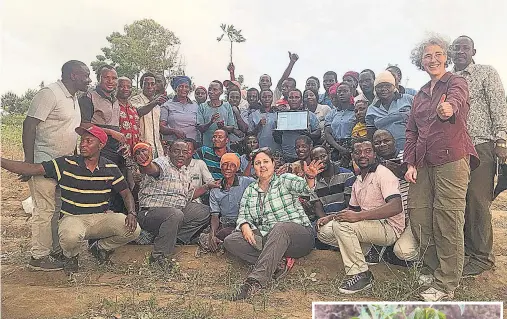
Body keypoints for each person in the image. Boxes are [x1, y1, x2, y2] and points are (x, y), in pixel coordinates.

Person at [2, 125, 140, 274]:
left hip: (100, 218)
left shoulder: (110, 167)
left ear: (101, 145)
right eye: (82, 141)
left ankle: (100, 248)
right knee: (70, 236)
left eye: (89, 141)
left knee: (134, 230)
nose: (83, 144)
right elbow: (31, 169)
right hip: (73, 218)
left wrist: (131, 213)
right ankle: (71, 256)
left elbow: (126, 193)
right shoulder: (66, 163)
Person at [405, 35, 479, 301]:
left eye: (438, 54)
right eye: (427, 56)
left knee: (448, 218)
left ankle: (446, 282)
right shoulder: (421, 93)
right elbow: (412, 130)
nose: (433, 59)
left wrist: (450, 107)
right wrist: (410, 162)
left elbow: (457, 99)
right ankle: (432, 268)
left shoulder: (456, 82)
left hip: (451, 159)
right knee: (421, 215)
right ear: (420, 61)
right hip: (423, 161)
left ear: (446, 57)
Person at [224, 148, 324, 300]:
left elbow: (304, 188)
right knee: (231, 240)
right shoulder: (250, 190)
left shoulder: (285, 179)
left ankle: (254, 282)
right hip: (269, 238)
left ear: (273, 164)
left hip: (299, 236)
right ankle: (278, 262)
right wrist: (245, 225)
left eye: (265, 162)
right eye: (258, 163)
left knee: (280, 227)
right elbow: (243, 215)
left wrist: (309, 178)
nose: (262, 166)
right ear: (253, 168)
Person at [21, 60, 91, 270]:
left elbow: (71, 130)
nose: (89, 80)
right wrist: (29, 161)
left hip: (64, 164)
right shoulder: (50, 93)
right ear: (73, 75)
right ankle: (38, 257)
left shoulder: (73, 98)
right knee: (44, 209)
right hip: (44, 161)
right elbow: (29, 124)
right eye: (86, 76)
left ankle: (54, 250)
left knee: (58, 209)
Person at [317, 139, 405, 294]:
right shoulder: (358, 180)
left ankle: (360, 274)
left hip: (388, 227)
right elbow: (352, 208)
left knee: (342, 226)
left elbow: (396, 206)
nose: (363, 155)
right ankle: (365, 250)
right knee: (324, 231)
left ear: (374, 154)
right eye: (358, 152)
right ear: (353, 156)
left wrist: (359, 216)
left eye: (367, 151)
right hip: (368, 224)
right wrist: (330, 217)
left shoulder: (383, 174)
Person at [451, 35, 507, 277]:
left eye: (465, 47)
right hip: (453, 150)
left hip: (481, 145)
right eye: (456, 48)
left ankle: (482, 257)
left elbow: (499, 106)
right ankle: (466, 253)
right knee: (458, 202)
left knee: (477, 200)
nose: (460, 51)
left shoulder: (486, 73)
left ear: (474, 51)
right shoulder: (448, 79)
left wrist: (502, 140)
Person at [134, 141, 218, 269]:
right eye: (176, 151)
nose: (181, 155)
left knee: (205, 212)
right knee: (175, 215)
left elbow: (190, 195)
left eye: (184, 152)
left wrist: (207, 186)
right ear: (168, 151)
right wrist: (145, 164)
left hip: (176, 212)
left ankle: (167, 238)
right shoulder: (162, 162)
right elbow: (152, 169)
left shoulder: (184, 171)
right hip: (151, 212)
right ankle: (159, 257)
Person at [79, 65, 129, 213]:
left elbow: (115, 125)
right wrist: (110, 133)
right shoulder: (89, 97)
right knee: (98, 185)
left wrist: (120, 141)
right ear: (99, 78)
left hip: (115, 149)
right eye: (106, 77)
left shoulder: (115, 99)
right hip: (98, 148)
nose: (110, 81)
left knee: (117, 186)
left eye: (114, 78)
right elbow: (84, 124)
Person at [371, 130, 418, 265]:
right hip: (392, 219)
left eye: (386, 141)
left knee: (403, 251)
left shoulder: (408, 156)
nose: (382, 145)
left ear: (394, 141)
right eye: (378, 143)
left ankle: (427, 258)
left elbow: (417, 178)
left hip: (414, 214)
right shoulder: (373, 165)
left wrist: (398, 170)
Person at [202, 153, 256, 252]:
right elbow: (215, 216)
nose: (228, 168)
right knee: (216, 237)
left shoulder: (247, 182)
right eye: (225, 164)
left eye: (232, 165)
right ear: (221, 167)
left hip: (246, 222)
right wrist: (212, 233)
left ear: (237, 168)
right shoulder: (215, 189)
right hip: (226, 223)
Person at [365, 71, 414, 151]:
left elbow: (422, 123)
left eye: (388, 85)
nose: (384, 89)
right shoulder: (371, 109)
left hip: (411, 148)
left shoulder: (408, 99)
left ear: (394, 87)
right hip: (386, 153)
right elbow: (371, 136)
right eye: (379, 86)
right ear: (375, 89)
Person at [274, 89, 321, 162]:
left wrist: (308, 134)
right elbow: (277, 139)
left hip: (306, 157)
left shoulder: (310, 115)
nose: (294, 100)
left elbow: (318, 133)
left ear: (301, 100)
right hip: (287, 156)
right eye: (291, 97)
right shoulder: (282, 116)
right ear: (287, 99)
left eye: (296, 97)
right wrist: (277, 131)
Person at [130, 72, 169, 158]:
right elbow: (139, 112)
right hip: (141, 148)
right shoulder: (135, 99)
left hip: (157, 149)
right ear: (141, 86)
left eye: (152, 84)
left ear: (156, 86)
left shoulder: (158, 105)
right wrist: (154, 102)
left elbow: (158, 129)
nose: (149, 86)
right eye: (146, 84)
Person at [196, 80, 238, 147]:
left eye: (214, 90)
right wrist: (210, 122)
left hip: (223, 147)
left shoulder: (227, 106)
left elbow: (231, 127)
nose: (211, 92)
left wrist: (223, 127)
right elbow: (200, 128)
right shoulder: (202, 107)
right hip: (207, 146)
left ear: (221, 92)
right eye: (209, 89)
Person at [324, 83, 356, 168]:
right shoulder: (332, 113)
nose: (342, 94)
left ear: (351, 92)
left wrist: (349, 149)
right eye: (339, 92)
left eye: (345, 91)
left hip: (352, 148)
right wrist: (339, 148)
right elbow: (327, 133)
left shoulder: (356, 111)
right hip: (335, 148)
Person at [160, 76, 199, 143]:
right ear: (175, 89)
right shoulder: (167, 105)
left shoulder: (195, 105)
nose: (184, 89)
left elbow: (199, 125)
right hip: (173, 144)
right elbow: (161, 127)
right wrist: (174, 131)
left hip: (192, 145)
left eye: (186, 87)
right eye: (181, 86)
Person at [184, 138, 214, 203]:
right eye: (184, 149)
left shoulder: (200, 164)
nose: (186, 151)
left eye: (189, 149)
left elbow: (209, 181)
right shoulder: (175, 164)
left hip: (195, 201)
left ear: (194, 151)